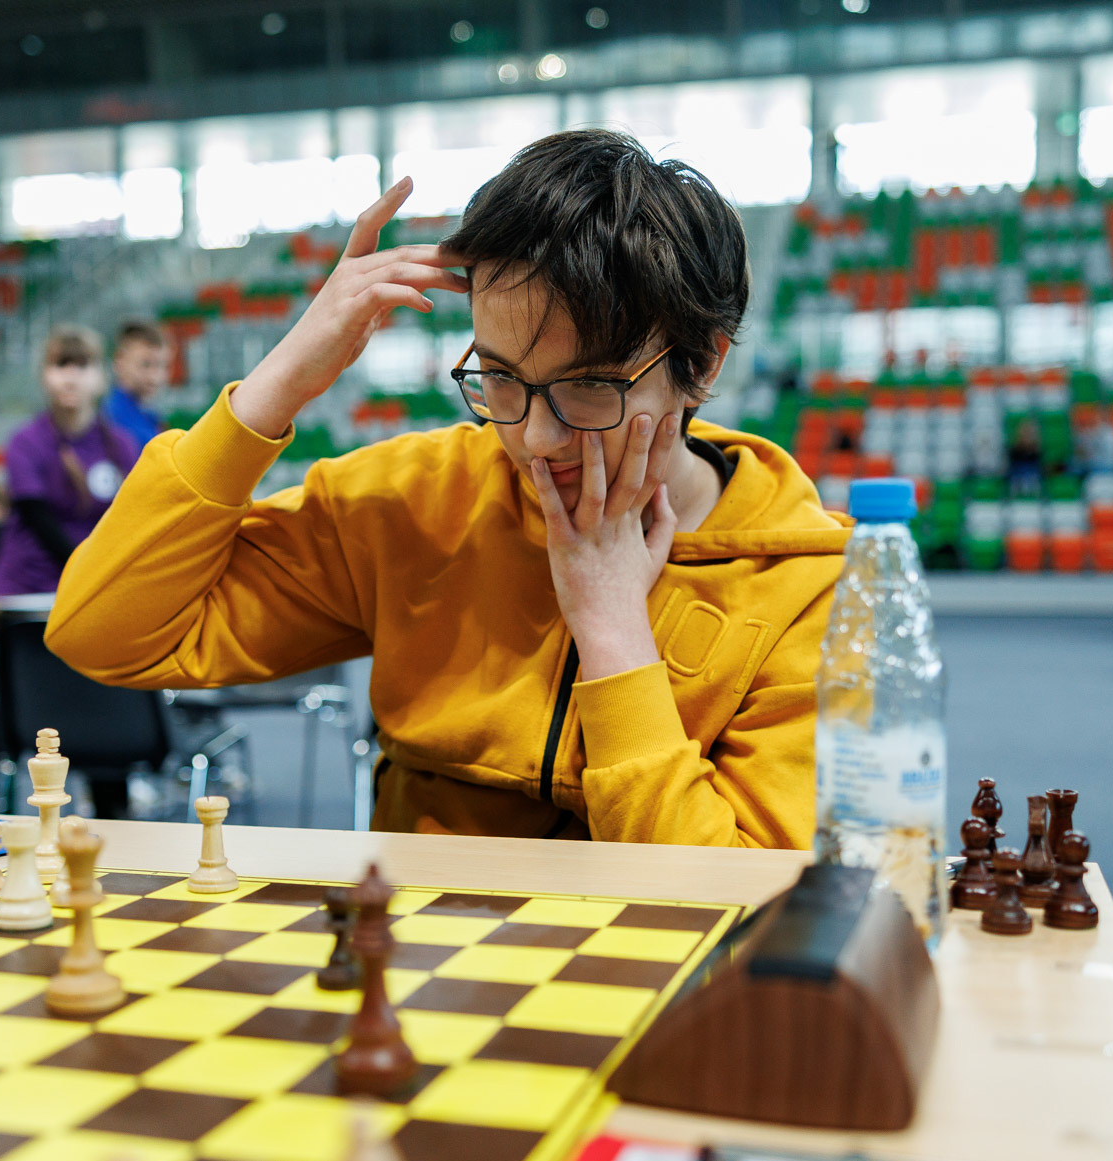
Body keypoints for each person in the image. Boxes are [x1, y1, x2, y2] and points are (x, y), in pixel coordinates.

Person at [47, 130, 853, 848]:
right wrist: (282, 379)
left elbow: (747, 904)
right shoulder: (417, 498)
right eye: (499, 378)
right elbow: (103, 632)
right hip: (417, 957)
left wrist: (613, 635)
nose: (535, 439)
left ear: (702, 363)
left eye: (590, 388)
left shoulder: (806, 585)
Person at [0, 325, 142, 597]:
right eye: (60, 364)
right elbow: (40, 522)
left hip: (97, 586)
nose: (70, 377)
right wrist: (90, 574)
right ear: (43, 376)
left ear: (102, 377)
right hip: (30, 589)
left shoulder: (122, 446)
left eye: (82, 365)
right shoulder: (24, 443)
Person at [103, 320, 170, 453]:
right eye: (145, 364)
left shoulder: (151, 415)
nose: (154, 377)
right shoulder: (110, 419)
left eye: (162, 365)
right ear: (120, 361)